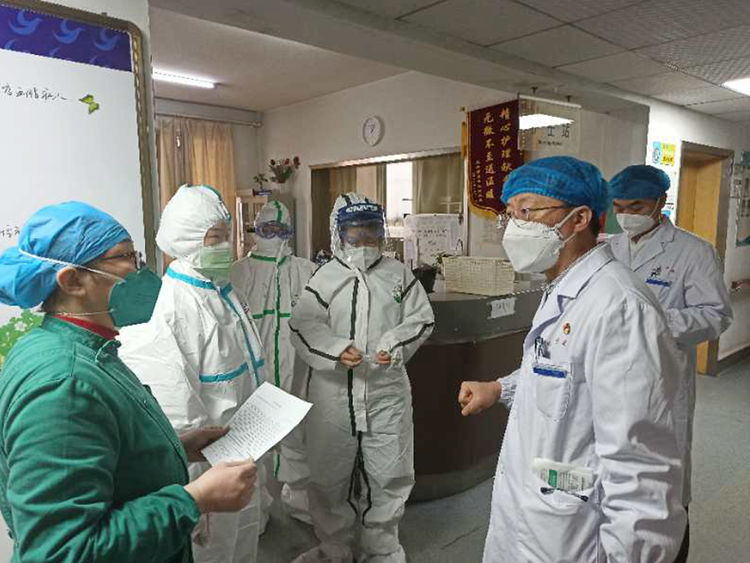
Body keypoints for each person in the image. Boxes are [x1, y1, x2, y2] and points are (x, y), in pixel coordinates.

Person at [458, 157, 688, 563]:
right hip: (538, 516)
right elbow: (560, 371)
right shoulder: (564, 288)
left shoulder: (620, 308)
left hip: (574, 534)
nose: (514, 227)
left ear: (579, 218)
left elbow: (640, 470)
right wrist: (500, 388)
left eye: (527, 211)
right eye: (510, 214)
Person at [0, 201, 257, 563]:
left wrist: (174, 447)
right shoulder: (64, 384)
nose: (138, 270)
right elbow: (60, 552)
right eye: (123, 257)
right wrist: (194, 500)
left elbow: (102, 445)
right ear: (72, 281)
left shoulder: (82, 348)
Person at [118, 185, 265, 563]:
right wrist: (191, 489)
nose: (224, 246)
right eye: (214, 238)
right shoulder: (172, 305)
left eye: (226, 236)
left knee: (244, 541)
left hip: (243, 446)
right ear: (185, 239)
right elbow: (175, 407)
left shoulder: (223, 290)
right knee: (215, 551)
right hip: (207, 464)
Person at [289, 193, 434, 563]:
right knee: (327, 475)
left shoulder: (398, 274)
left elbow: (421, 319)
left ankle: (381, 549)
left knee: (390, 474)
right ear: (340, 235)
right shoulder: (325, 277)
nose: (365, 242)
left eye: (371, 233)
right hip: (333, 395)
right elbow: (303, 325)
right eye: (355, 234)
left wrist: (394, 344)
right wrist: (336, 349)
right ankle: (334, 548)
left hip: (386, 392)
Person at [608, 164, 733, 562]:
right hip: (611, 376)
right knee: (616, 474)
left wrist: (654, 321)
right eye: (619, 207)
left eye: (636, 206)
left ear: (660, 202)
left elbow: (715, 315)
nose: (626, 215)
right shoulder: (608, 248)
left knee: (666, 480)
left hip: (663, 381)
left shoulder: (694, 252)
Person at [231, 200, 317, 524]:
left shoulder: (305, 270)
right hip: (255, 371)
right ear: (256, 229)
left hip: (297, 369)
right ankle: (256, 510)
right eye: (267, 229)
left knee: (298, 437)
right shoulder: (239, 272)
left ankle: (300, 500)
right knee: (252, 441)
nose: (274, 236)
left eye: (280, 229)